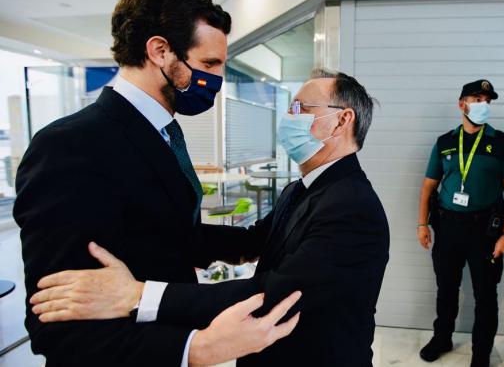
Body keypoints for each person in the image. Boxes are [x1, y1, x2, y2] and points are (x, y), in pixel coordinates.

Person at [13, 0, 302, 366]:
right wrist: (196, 350)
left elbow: (165, 232)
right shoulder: (70, 146)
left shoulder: (164, 131)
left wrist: (266, 236)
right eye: (209, 64)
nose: (217, 78)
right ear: (160, 51)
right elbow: (56, 325)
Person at [28, 69, 390, 367]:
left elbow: (273, 293)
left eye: (299, 109)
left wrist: (138, 294)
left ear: (341, 120)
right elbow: (252, 241)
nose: (288, 120)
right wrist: (158, 233)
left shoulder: (353, 207)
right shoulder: (301, 189)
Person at [417, 79, 504, 366]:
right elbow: (429, 187)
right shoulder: (445, 143)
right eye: (477, 99)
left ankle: (481, 351)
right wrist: (422, 224)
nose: (482, 105)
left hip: (485, 230)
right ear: (461, 104)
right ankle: (442, 337)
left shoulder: (503, 144)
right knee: (446, 289)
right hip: (448, 226)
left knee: (486, 295)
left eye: (487, 100)